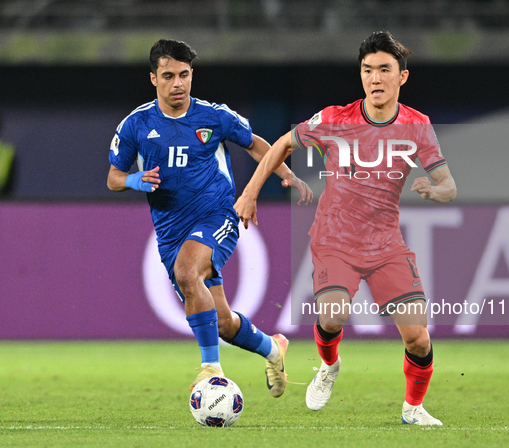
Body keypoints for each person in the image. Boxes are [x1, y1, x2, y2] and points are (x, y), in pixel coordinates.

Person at [234, 31, 457, 425]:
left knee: (418, 338)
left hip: (387, 244)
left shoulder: (417, 126)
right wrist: (251, 193)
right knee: (333, 316)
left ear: (402, 77)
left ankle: (413, 408)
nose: (374, 78)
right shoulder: (336, 118)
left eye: (384, 70)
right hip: (335, 239)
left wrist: (437, 191)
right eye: (367, 70)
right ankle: (330, 365)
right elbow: (283, 143)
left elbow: (448, 183)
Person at [107, 39, 313, 397]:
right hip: (171, 231)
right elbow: (113, 178)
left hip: (218, 214)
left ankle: (210, 371)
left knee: (188, 272)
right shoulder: (135, 125)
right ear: (153, 78)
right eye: (168, 76)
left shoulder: (214, 116)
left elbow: (256, 144)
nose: (178, 84)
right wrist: (133, 180)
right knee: (220, 322)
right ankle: (272, 349)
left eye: (184, 75)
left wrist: (287, 174)